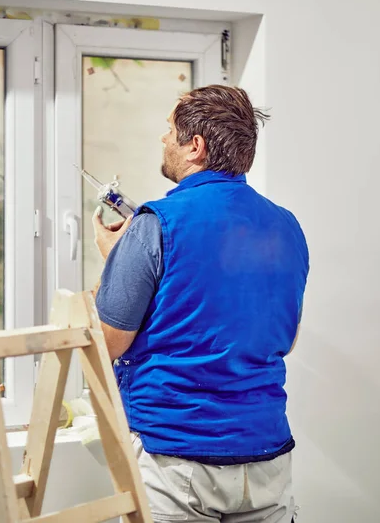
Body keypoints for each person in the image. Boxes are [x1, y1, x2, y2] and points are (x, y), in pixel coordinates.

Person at [91, 85, 309, 523]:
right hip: (266, 460)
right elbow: (286, 339)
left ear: (196, 146)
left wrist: (116, 258)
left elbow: (110, 343)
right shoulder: (287, 226)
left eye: (169, 131)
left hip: (177, 459)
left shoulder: (156, 223)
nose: (162, 139)